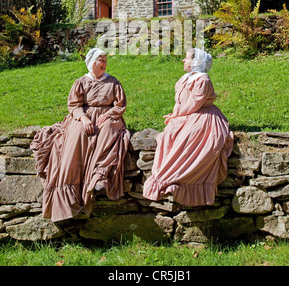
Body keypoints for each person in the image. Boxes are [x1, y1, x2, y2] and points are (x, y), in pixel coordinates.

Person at [30, 48, 130, 222]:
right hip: (84, 117)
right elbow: (74, 105)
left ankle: (98, 177)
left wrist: (107, 115)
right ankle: (70, 195)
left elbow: (120, 105)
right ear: (92, 63)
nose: (105, 64)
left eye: (106, 60)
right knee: (76, 135)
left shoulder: (113, 83)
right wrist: (83, 119)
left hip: (108, 117)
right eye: (101, 61)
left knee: (107, 132)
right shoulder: (81, 82)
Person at [143, 48, 234, 206]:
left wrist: (176, 115)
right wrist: (175, 114)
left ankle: (177, 180)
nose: (184, 61)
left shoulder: (203, 80)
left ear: (196, 62)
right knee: (167, 136)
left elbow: (194, 103)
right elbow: (181, 102)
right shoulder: (186, 78)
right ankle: (162, 178)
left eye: (187, 59)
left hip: (203, 116)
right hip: (187, 114)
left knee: (189, 139)